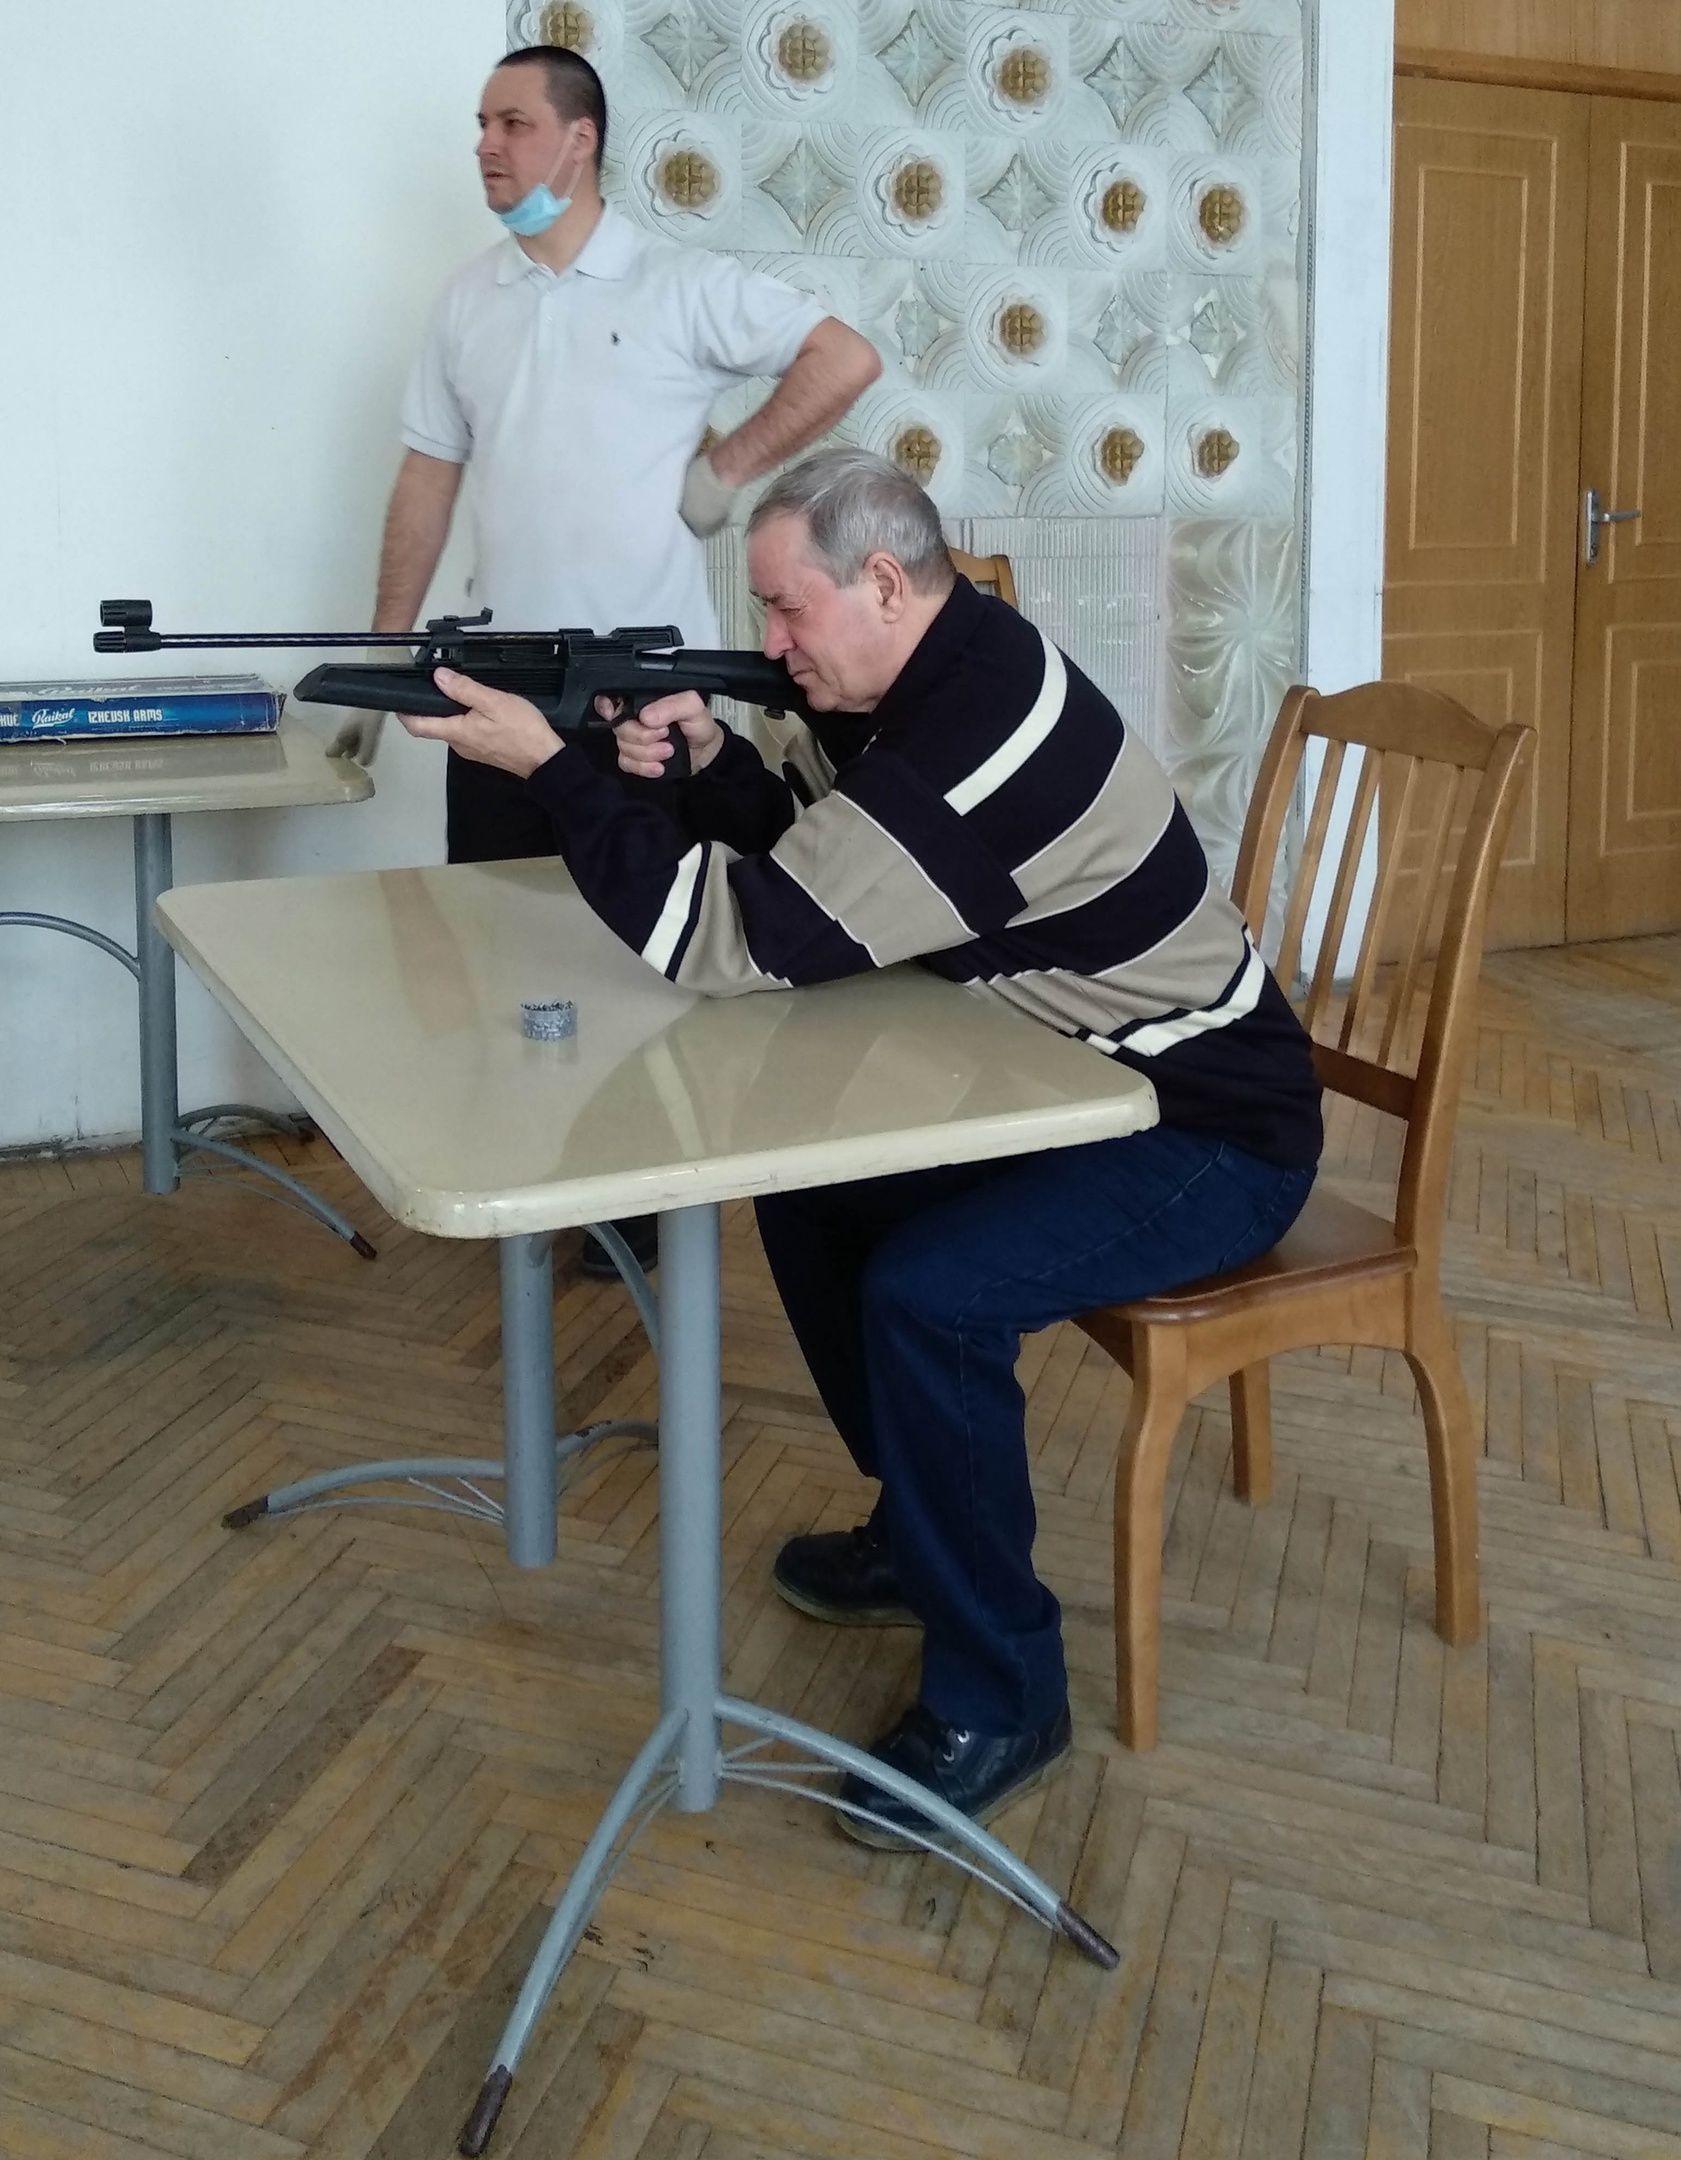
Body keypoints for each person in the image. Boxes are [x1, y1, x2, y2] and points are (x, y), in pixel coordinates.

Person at [394, 448, 1323, 1847]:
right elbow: (822, 875)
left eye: (786, 609)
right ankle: (926, 1528)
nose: (769, 642)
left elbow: (737, 943)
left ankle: (1004, 1691)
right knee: (814, 1195)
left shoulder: (977, 737)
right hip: (1059, 1079)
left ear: (884, 583)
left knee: (930, 1296)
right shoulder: (924, 681)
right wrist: (713, 762)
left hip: (1202, 1124)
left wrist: (555, 772)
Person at [337, 44, 880, 1274]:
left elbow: (843, 356)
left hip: (648, 700)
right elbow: (427, 475)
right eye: (480, 124)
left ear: (579, 140)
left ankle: (637, 1214)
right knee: (497, 942)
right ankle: (529, 1191)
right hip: (498, 686)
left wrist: (726, 470)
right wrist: (385, 648)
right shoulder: (467, 301)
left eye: (513, 123)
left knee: (640, 965)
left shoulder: (679, 284)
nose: (486, 145)